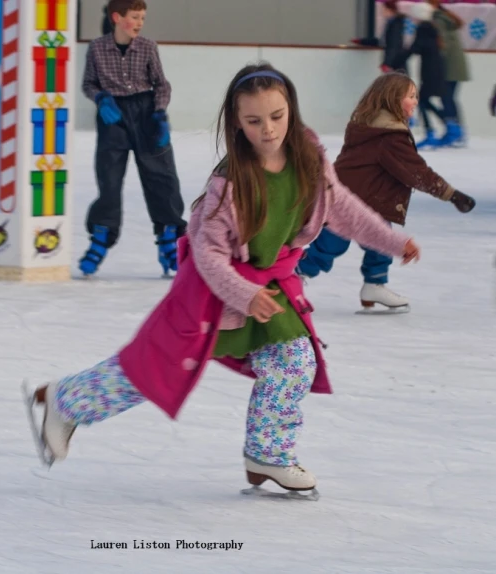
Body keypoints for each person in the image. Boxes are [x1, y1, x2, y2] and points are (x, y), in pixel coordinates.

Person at [26, 63, 422, 495]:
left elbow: (342, 207)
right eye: (254, 120)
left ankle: (267, 455)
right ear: (237, 122)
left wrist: (390, 240)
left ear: (291, 109)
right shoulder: (229, 182)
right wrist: (244, 293)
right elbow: (208, 253)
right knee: (154, 369)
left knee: (294, 363)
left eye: (277, 116)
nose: (268, 129)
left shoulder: (310, 157)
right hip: (213, 291)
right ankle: (64, 401)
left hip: (269, 289)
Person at [297, 72, 475, 312]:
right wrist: (452, 195)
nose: (415, 101)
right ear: (393, 99)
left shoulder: (369, 126)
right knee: (330, 247)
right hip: (346, 203)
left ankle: (375, 284)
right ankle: (291, 277)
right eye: (410, 96)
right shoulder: (389, 137)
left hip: (369, 200)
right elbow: (416, 172)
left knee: (380, 242)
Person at [79, 0, 186, 277]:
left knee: (161, 177)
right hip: (112, 116)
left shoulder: (148, 46)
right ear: (117, 17)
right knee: (109, 178)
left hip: (146, 113)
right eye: (135, 17)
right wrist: (101, 98)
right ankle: (101, 235)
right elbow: (88, 83)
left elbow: (161, 83)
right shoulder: (97, 48)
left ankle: (168, 236)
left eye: (142, 17)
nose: (140, 22)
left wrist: (160, 114)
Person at [394, 2, 447, 149]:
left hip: (431, 70)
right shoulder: (430, 27)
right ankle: (445, 124)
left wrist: (397, 59)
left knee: (422, 100)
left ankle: (435, 129)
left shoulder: (424, 28)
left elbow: (416, 47)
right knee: (423, 100)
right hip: (433, 68)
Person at [428, 0, 470, 146]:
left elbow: (442, 44)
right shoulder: (444, 16)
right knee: (449, 98)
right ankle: (458, 131)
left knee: (446, 98)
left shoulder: (438, 19)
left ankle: (455, 132)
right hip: (455, 65)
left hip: (448, 66)